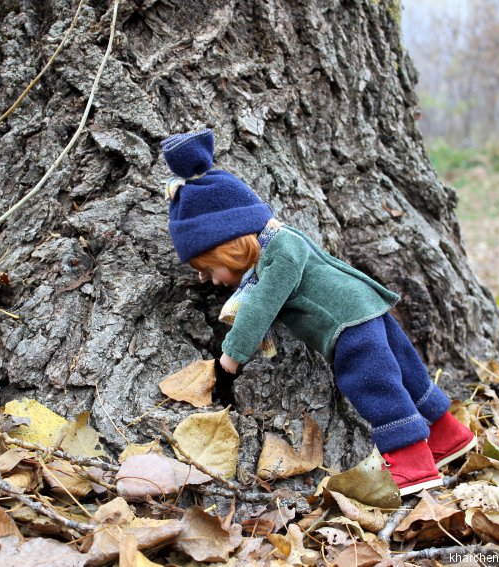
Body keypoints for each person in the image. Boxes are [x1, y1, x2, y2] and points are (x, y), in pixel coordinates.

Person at [161, 129, 476, 496]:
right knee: (407, 372)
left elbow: (260, 305)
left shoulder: (280, 256)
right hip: (364, 308)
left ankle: (413, 464)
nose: (214, 281)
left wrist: (231, 357)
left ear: (230, 247)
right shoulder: (279, 241)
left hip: (348, 325)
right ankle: (448, 436)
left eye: (213, 269)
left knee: (373, 383)